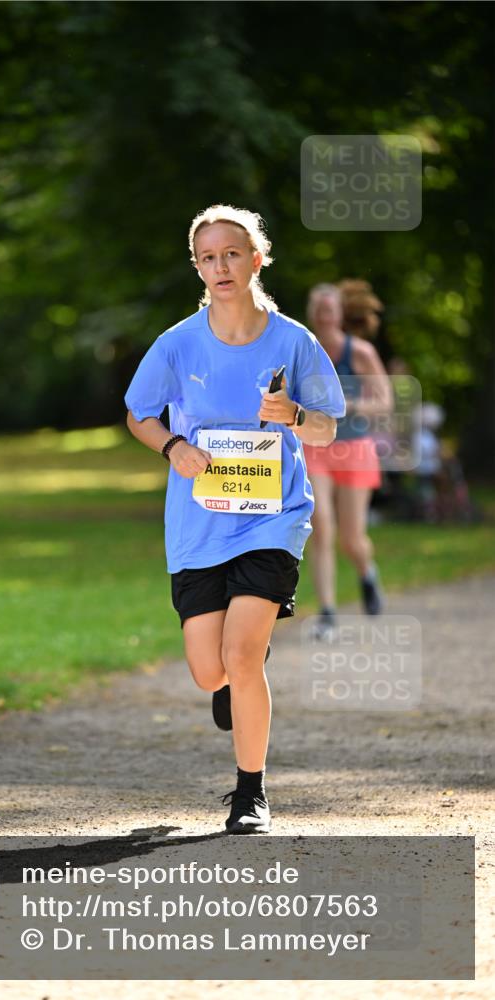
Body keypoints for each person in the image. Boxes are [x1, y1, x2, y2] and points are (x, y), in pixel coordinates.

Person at [124, 205, 345, 834]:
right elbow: (139, 413)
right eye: (208, 257)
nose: (221, 266)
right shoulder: (177, 344)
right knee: (210, 670)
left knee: (243, 659)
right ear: (198, 267)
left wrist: (295, 416)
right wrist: (173, 446)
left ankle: (250, 793)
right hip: (199, 522)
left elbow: (330, 428)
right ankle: (233, 671)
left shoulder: (293, 340)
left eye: (232, 253)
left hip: (274, 516)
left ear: (257, 258)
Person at [303, 282, 393, 639]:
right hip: (314, 446)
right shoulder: (302, 349)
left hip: (355, 448)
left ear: (340, 314)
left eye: (330, 310)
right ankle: (327, 613)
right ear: (312, 314)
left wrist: (351, 404)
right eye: (319, 311)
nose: (324, 317)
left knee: (352, 539)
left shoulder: (361, 353)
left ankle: (366, 572)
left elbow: (385, 401)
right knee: (321, 525)